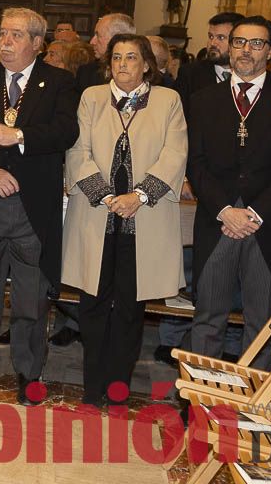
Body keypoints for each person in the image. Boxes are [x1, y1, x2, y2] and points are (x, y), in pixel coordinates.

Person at [0, 8, 78, 406]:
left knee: (30, 297)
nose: (5, 42)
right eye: (3, 34)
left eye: (16, 35)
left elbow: (65, 131)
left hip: (32, 209)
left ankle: (28, 371)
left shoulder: (58, 82)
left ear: (38, 43)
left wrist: (17, 134)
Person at [64, 34, 187, 406]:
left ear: (147, 64)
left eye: (131, 57)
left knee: (130, 311)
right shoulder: (92, 97)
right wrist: (104, 195)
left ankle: (118, 388)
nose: (122, 64)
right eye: (116, 57)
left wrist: (139, 196)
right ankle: (92, 387)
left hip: (144, 221)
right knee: (93, 306)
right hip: (96, 218)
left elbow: (175, 152)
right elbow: (77, 151)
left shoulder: (168, 101)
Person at [186, 16, 271, 362]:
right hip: (217, 222)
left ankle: (253, 409)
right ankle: (202, 406)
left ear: (269, 50)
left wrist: (254, 213)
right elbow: (195, 163)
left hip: (265, 226)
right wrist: (226, 210)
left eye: (256, 43)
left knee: (264, 324)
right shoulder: (203, 99)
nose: (245, 50)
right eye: (239, 41)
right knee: (208, 319)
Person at [175, 12, 243, 121]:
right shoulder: (190, 74)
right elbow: (179, 119)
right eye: (211, 36)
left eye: (221, 38)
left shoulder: (250, 74)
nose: (212, 43)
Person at [77, 13, 136, 93]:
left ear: (117, 38)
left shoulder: (141, 74)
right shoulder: (86, 73)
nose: (92, 42)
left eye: (98, 35)